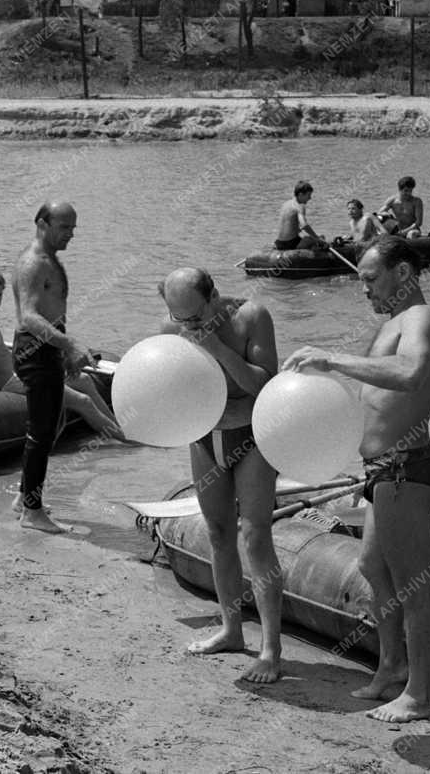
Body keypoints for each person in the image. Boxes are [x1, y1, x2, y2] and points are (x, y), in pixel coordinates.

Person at [283, 235, 430, 722]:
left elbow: (412, 373)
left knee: (413, 584)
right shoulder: (393, 325)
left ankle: (418, 695)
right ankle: (392, 667)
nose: (365, 291)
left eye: (370, 279)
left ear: (403, 274)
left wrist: (332, 357)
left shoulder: (422, 318)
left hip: (407, 469)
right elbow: (374, 398)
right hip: (382, 471)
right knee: (374, 569)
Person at [159, 267, 283, 684]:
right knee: (217, 532)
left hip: (251, 436)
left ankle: (270, 649)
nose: (189, 327)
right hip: (204, 438)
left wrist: (215, 347)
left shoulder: (252, 317)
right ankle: (231, 630)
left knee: (257, 535)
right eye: (181, 320)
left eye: (195, 317)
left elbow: (264, 384)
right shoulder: (172, 328)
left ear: (213, 296)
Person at [0, 269, 124, 440]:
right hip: (15, 381)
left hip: (25, 372)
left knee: (83, 380)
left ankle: (118, 426)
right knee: (83, 402)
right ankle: (126, 442)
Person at [11, 201, 95, 534]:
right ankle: (32, 512)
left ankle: (23, 498)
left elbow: (48, 313)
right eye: (64, 227)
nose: (70, 235)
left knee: (51, 425)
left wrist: (62, 352)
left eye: (73, 228)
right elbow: (29, 317)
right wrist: (70, 344)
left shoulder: (49, 260)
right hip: (34, 351)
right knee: (41, 432)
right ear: (42, 224)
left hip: (47, 351)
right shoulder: (34, 262)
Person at [274, 180, 325, 251]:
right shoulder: (300, 206)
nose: (310, 198)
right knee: (320, 237)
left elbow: (287, 225)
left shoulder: (286, 204)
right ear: (301, 195)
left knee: (310, 237)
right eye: (308, 195)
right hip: (290, 243)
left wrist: (298, 230)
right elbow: (304, 225)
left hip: (279, 243)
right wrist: (316, 238)